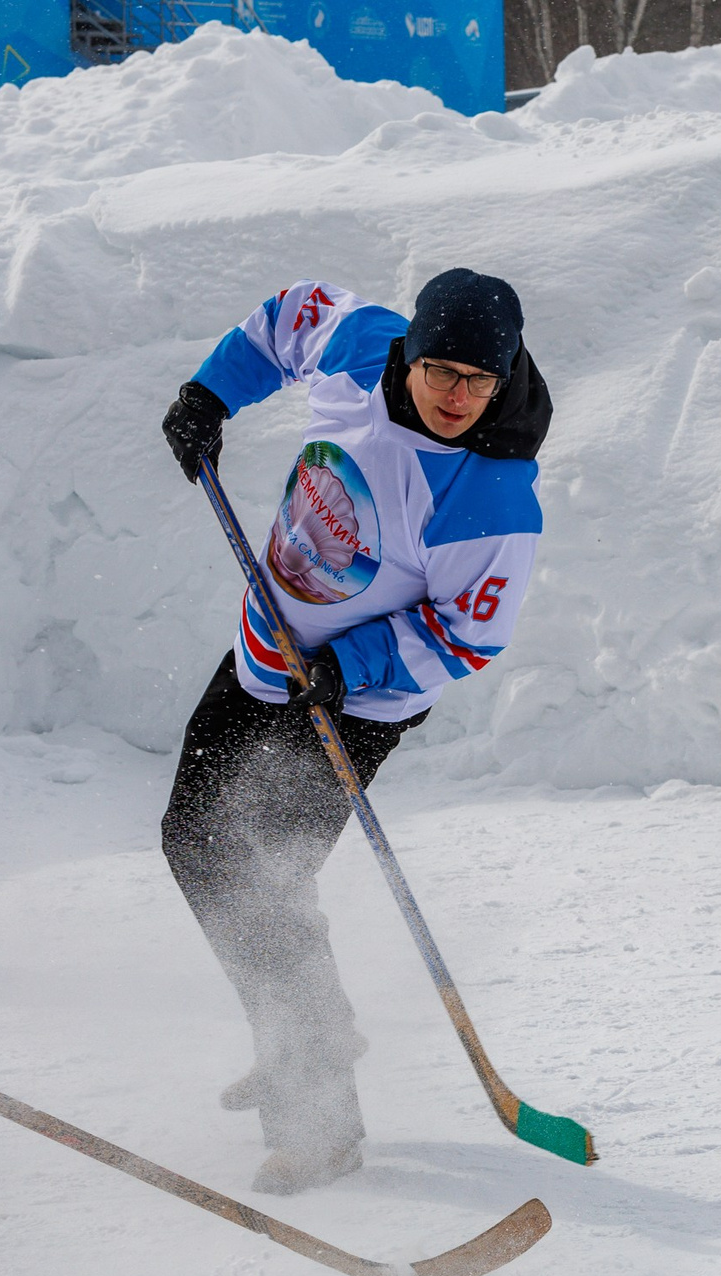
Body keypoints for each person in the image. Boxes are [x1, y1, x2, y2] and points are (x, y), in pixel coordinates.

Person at [157, 268, 552, 1193]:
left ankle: (319, 1112)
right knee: (192, 841)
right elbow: (278, 324)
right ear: (406, 352)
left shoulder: (491, 500)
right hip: (265, 648)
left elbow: (466, 637)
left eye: (479, 381)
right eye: (441, 371)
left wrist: (350, 669)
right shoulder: (357, 345)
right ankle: (307, 1023)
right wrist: (209, 395)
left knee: (262, 875)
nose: (458, 397)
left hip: (354, 700)